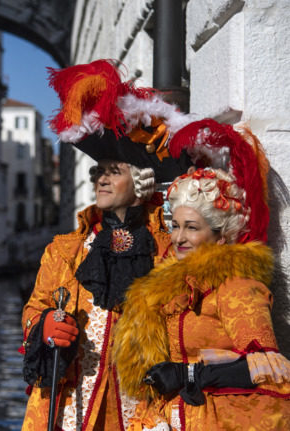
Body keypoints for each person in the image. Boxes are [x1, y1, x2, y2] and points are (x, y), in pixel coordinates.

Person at [20, 59, 193, 431]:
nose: (100, 179)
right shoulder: (65, 251)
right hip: (73, 408)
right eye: (99, 172)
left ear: (141, 181)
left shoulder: (168, 251)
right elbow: (36, 308)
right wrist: (44, 325)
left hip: (144, 412)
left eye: (113, 172)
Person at [112, 119, 290, 430]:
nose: (178, 238)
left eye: (191, 227)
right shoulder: (170, 288)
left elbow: (268, 368)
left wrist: (191, 373)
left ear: (221, 237)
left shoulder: (238, 288)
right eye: (176, 226)